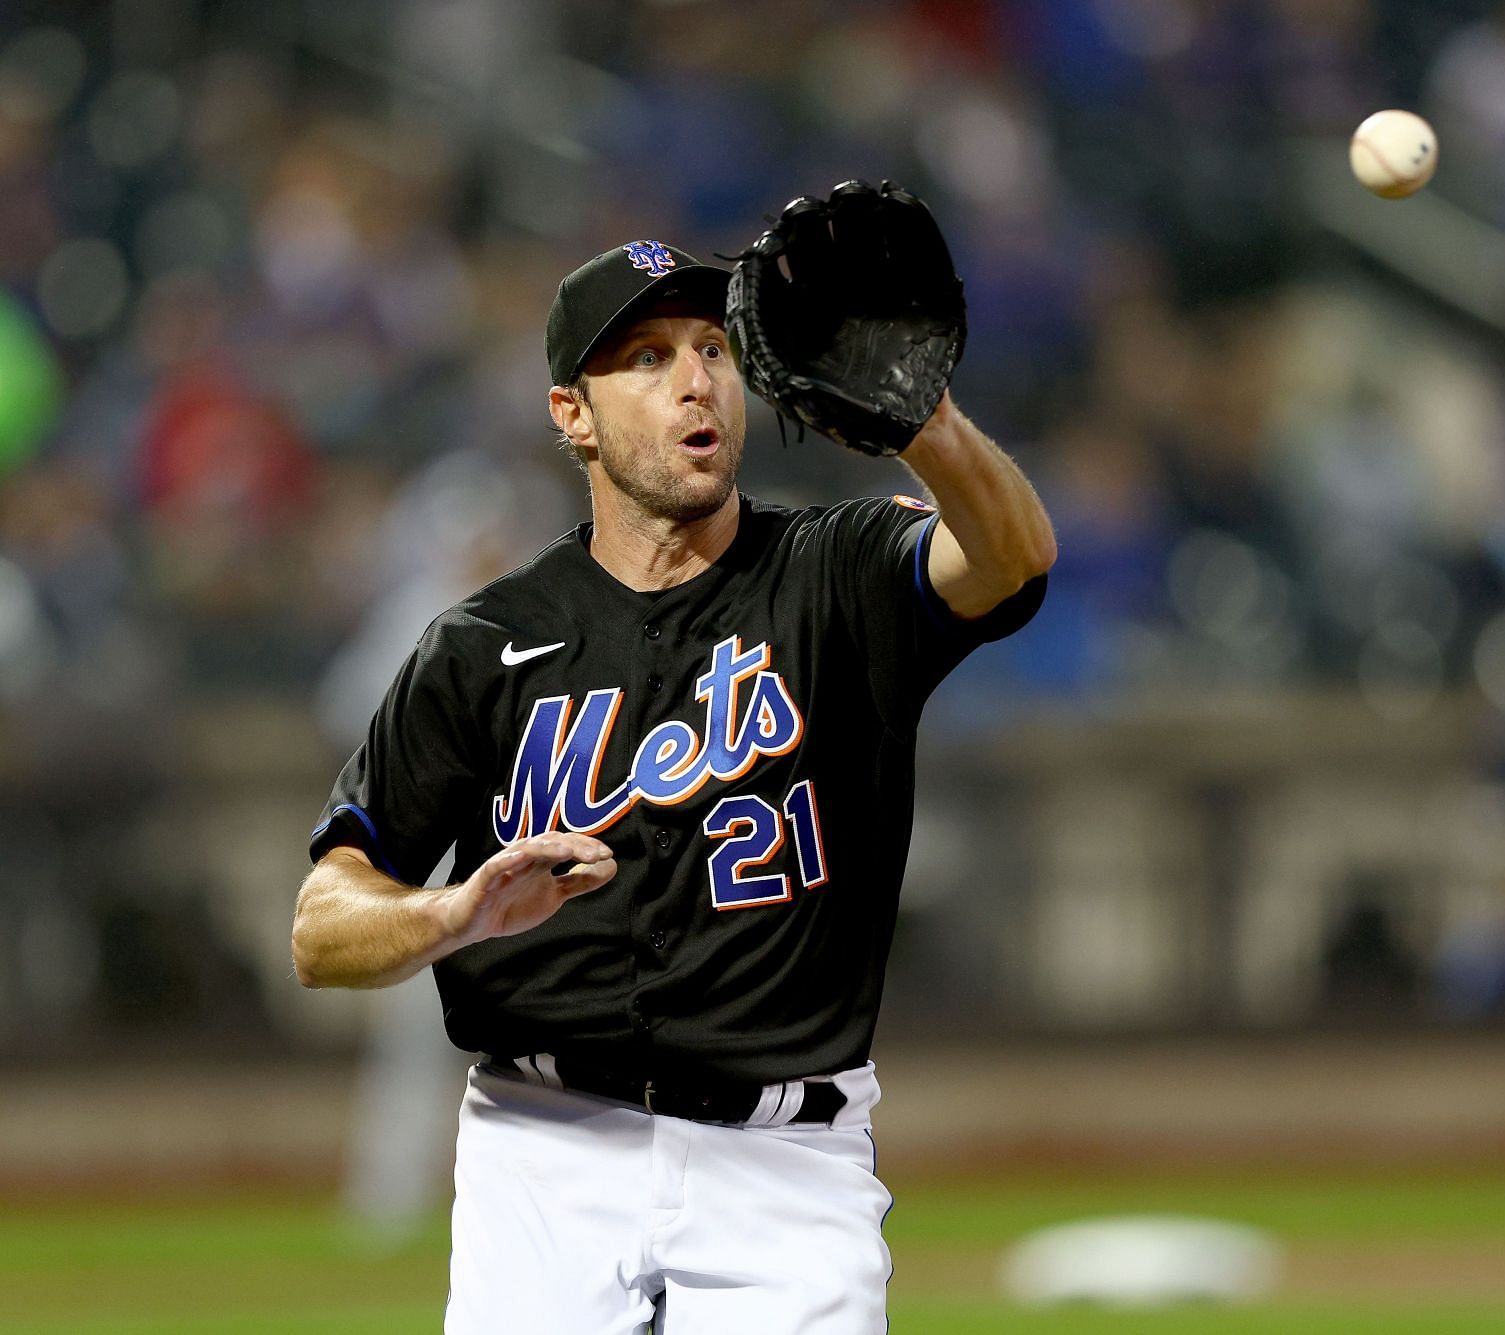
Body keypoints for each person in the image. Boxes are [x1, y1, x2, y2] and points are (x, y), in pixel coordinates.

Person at [289, 239, 1055, 1333]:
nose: (695, 380)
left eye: (713, 348)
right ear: (573, 416)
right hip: (540, 1152)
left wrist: (924, 424)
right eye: (645, 358)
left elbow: (1011, 559)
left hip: (786, 1166)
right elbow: (321, 925)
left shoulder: (837, 573)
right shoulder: (482, 644)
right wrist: (447, 914)